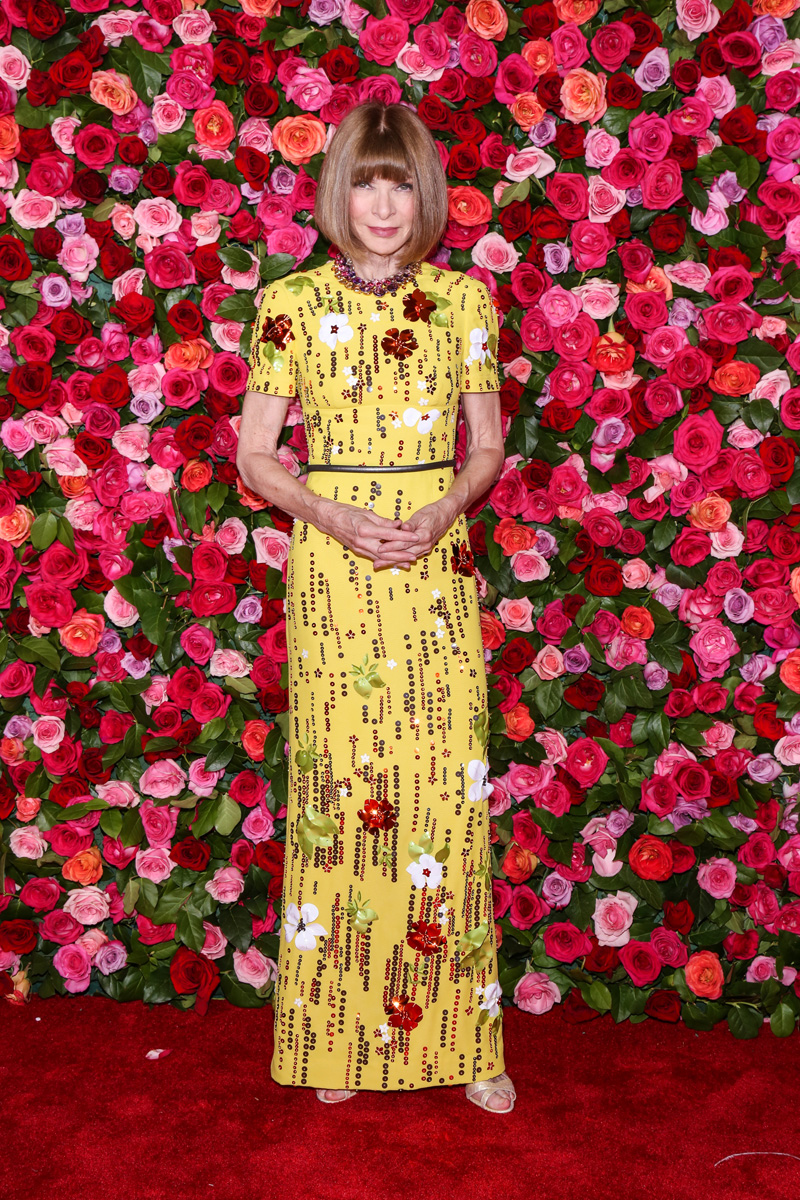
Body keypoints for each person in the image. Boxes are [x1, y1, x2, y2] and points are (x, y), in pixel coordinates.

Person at [236, 100, 516, 1114]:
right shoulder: (289, 302)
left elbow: (484, 445)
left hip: (433, 563)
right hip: (332, 565)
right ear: (337, 191)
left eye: (400, 182)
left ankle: (466, 1043)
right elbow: (254, 455)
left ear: (423, 192)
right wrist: (331, 514)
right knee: (340, 796)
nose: (384, 203)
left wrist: (442, 508)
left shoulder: (464, 299)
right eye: (365, 180)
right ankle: (338, 1038)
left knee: (445, 790)